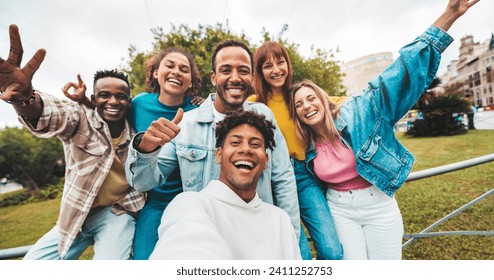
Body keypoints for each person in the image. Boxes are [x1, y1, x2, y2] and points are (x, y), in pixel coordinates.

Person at [288, 0, 479, 260]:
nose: (306, 106)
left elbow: (400, 73)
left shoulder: (358, 111)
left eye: (311, 98)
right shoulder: (305, 143)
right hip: (339, 209)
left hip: (377, 203)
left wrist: (449, 16)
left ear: (323, 99)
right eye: (299, 104)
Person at [125, 40, 302, 247]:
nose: (235, 78)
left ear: (252, 78)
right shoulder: (187, 125)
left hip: (258, 235)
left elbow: (283, 179)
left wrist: (290, 237)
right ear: (214, 77)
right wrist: (146, 150)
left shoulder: (264, 116)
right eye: (226, 70)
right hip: (206, 236)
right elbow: (143, 183)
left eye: (243, 70)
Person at [0, 25, 145, 259]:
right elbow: (51, 114)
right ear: (94, 99)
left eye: (121, 96)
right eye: (105, 95)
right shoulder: (79, 117)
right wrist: (25, 98)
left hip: (118, 212)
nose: (113, 101)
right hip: (77, 212)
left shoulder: (137, 131)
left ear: (129, 101)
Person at [63, 48, 203, 259]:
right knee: (143, 259)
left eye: (184, 69)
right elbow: (111, 111)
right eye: (170, 65)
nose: (176, 72)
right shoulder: (139, 103)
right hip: (153, 199)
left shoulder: (197, 110)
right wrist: (85, 101)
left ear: (191, 82)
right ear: (156, 73)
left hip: (190, 197)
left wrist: (205, 103)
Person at [150, 110, 301, 260]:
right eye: (235, 142)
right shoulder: (191, 204)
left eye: (255, 144)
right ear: (219, 155)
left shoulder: (280, 219)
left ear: (266, 160)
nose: (246, 149)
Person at [248, 41, 342, 260]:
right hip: (271, 180)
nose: (276, 70)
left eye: (280, 62)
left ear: (288, 65)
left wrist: (348, 101)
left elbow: (331, 101)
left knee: (332, 251)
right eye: (268, 66)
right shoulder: (253, 103)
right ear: (260, 72)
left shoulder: (298, 96)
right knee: (297, 255)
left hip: (304, 175)